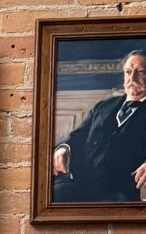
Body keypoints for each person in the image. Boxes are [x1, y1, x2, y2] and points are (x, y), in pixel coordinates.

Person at [52, 49, 146, 202]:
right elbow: (79, 135)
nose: (132, 78)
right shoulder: (103, 107)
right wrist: (63, 148)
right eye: (128, 72)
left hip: (119, 194)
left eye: (141, 72)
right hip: (78, 184)